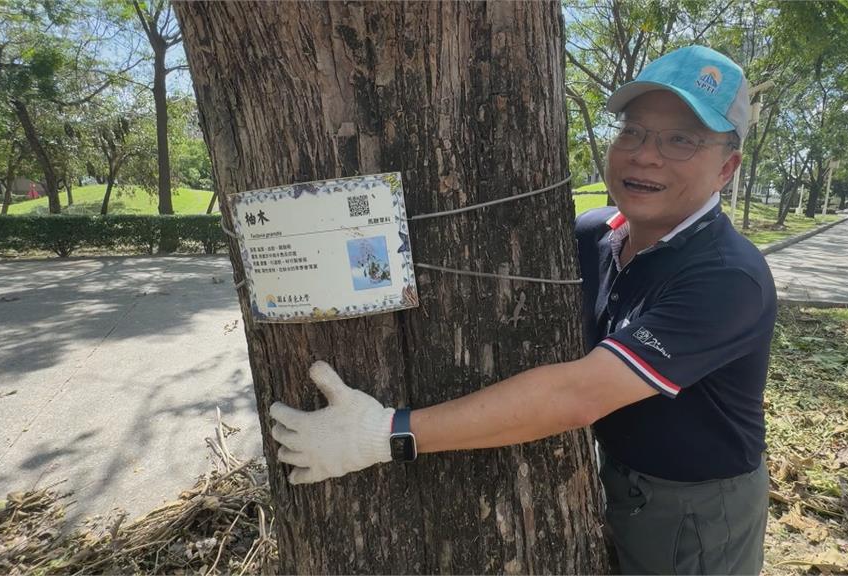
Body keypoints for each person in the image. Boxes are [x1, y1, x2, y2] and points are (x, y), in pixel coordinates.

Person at [269, 45, 777, 575]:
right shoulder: (594, 236)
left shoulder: (726, 276)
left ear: (727, 167)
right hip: (612, 471)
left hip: (696, 505)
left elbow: (576, 394)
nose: (644, 155)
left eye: (681, 140)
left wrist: (384, 433)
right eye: (633, 131)